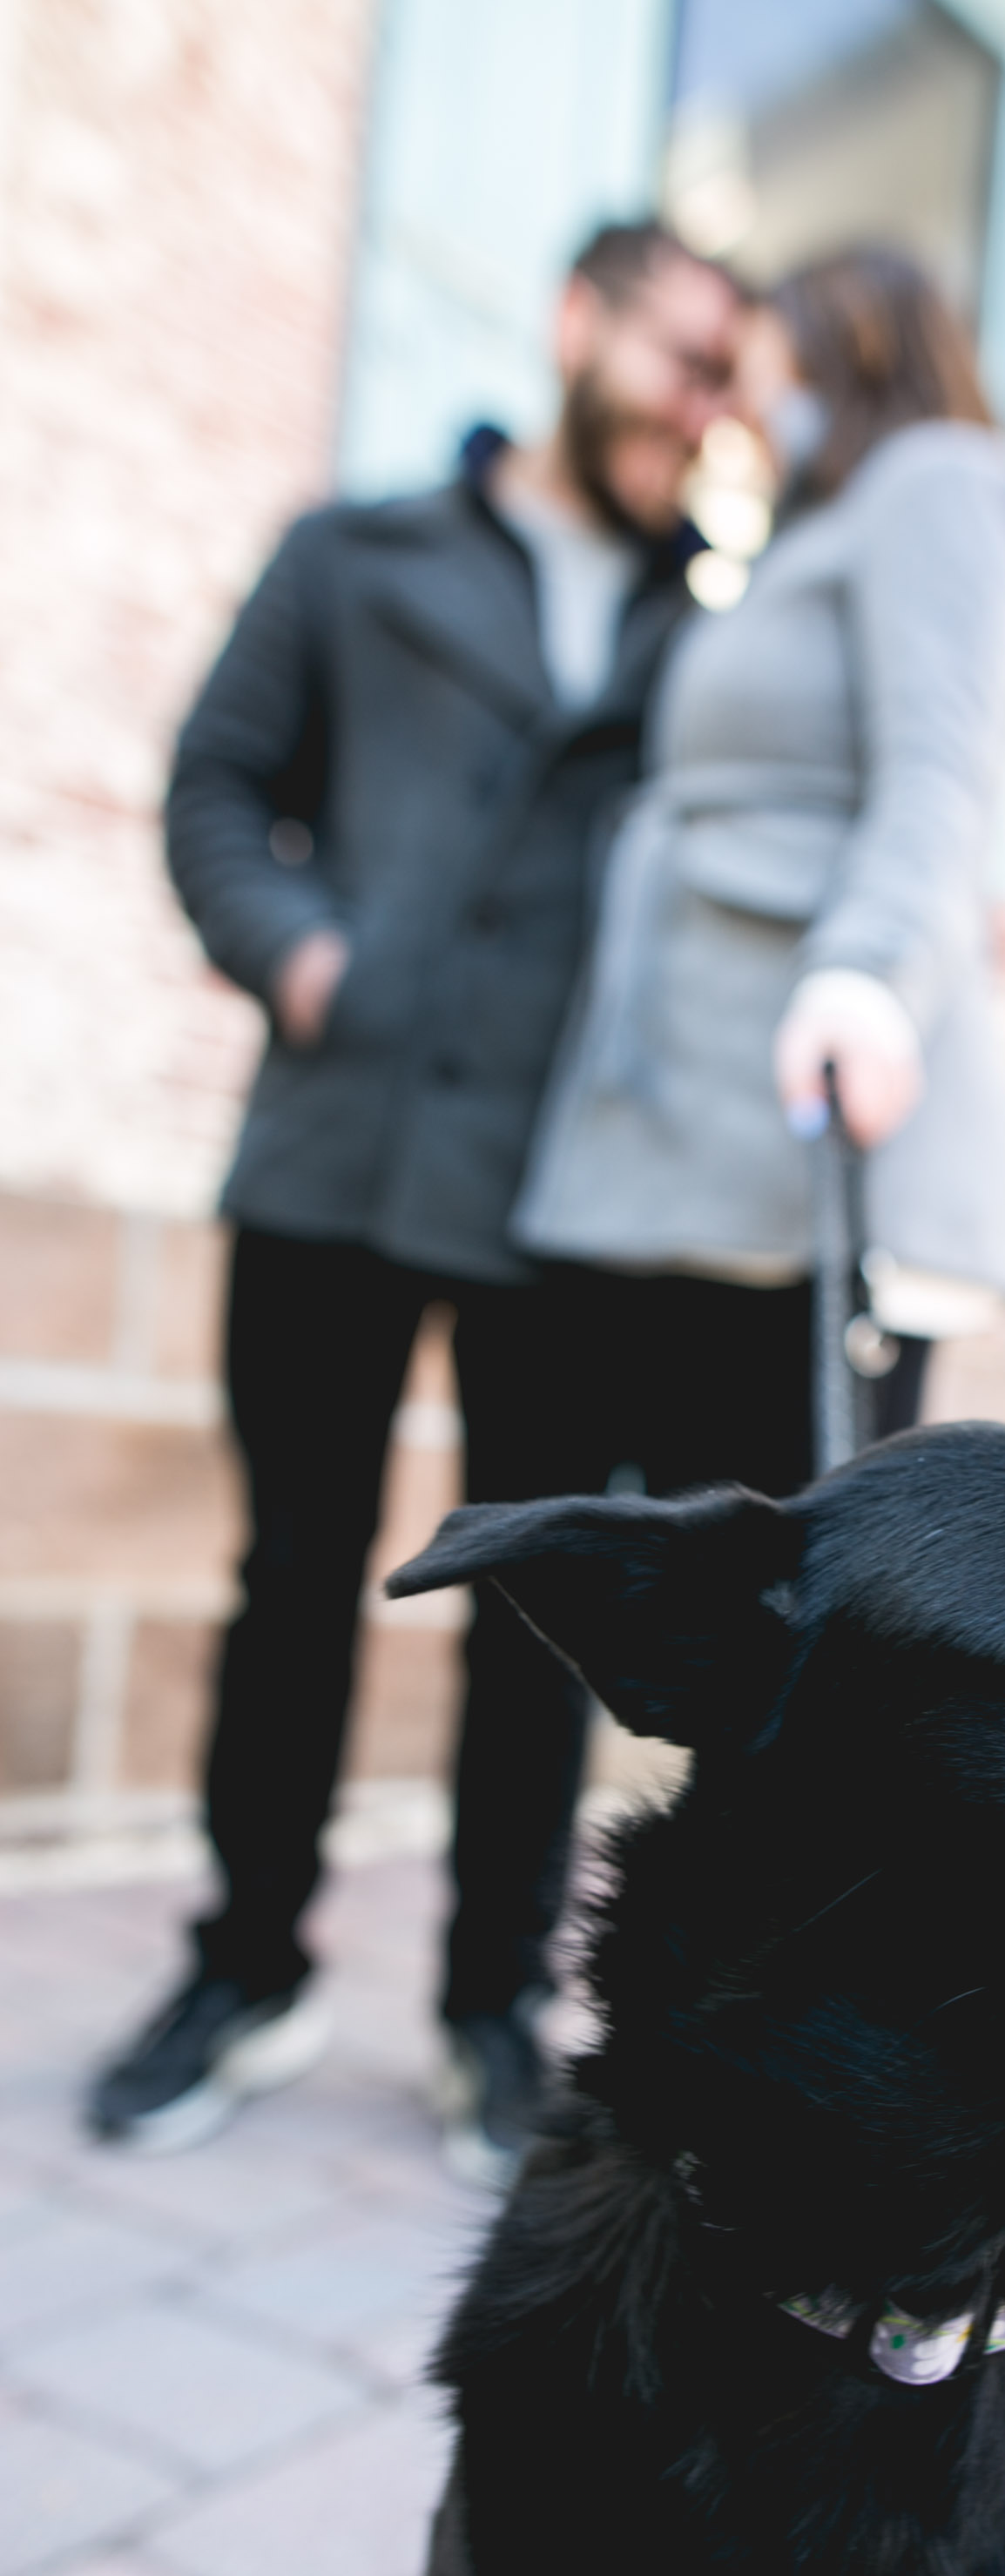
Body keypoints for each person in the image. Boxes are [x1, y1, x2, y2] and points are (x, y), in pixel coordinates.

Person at [87, 223, 744, 2186]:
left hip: (565, 1199)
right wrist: (302, 957)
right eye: (682, 357)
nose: (705, 407)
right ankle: (244, 1967)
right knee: (293, 1578)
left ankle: (486, 2013)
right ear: (577, 329)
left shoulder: (703, 631)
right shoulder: (354, 554)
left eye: (729, 378)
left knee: (536, 1625)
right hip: (337, 1158)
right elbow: (215, 788)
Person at [512, 246, 1005, 1503]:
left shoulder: (940, 482)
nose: (730, 403)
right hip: (684, 1142)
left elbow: (940, 774)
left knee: (791, 1619)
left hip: (795, 1149)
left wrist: (868, 973)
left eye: (743, 355)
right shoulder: (810, 533)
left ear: (831, 338)